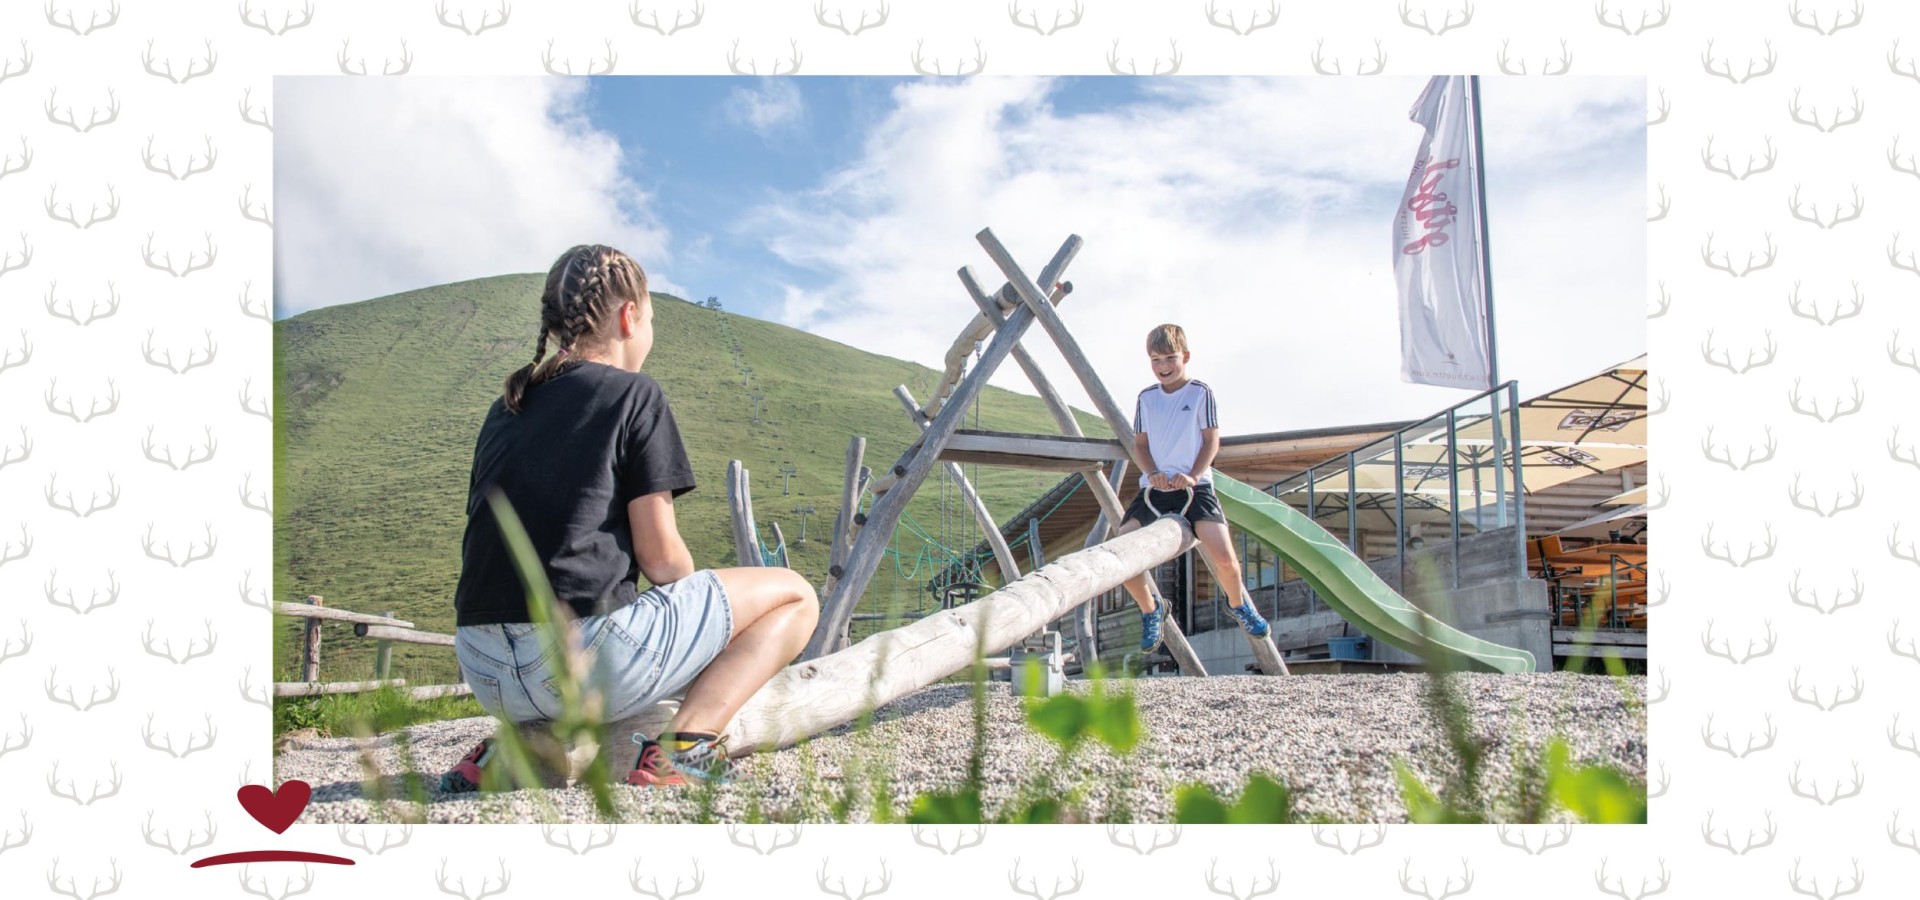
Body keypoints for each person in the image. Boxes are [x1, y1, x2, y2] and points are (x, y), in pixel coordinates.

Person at [439, 244, 819, 792]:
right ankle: (686, 747)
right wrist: (697, 621)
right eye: (652, 320)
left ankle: (508, 747)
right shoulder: (634, 394)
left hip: (484, 667)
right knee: (796, 595)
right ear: (630, 316)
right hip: (582, 661)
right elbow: (662, 562)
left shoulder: (507, 407)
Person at [1115, 324, 1269, 652]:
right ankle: (1151, 609)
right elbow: (1140, 445)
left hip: (1194, 489)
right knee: (1120, 552)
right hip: (1155, 490)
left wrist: (1193, 476)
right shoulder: (1146, 398)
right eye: (1155, 360)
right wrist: (1152, 473)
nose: (1163, 366)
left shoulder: (1200, 393)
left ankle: (1238, 604)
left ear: (1185, 356)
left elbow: (1211, 441)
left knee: (1225, 559)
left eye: (1169, 358)